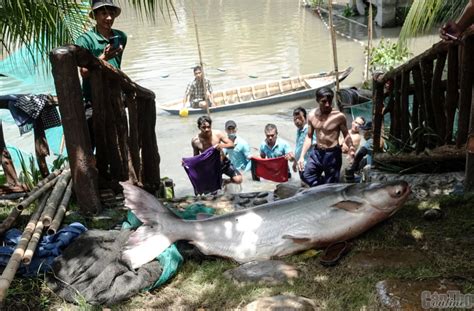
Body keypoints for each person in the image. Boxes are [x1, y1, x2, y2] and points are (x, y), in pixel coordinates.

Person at [75, 0, 127, 148]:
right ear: (95, 15)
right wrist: (104, 57)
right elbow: (84, 72)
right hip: (93, 99)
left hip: (116, 98)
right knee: (91, 144)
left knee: (119, 143)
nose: (109, 18)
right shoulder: (85, 40)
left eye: (111, 13)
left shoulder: (121, 37)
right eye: (104, 13)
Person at [297, 87, 355, 187]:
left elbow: (346, 135)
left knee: (331, 184)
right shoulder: (311, 115)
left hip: (332, 154)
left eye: (329, 101)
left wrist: (351, 147)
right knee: (305, 175)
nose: (327, 104)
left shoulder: (339, 116)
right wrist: (302, 157)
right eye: (323, 102)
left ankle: (328, 188)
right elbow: (309, 137)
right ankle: (323, 187)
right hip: (317, 152)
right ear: (317, 101)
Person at [191, 116, 242, 185]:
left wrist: (221, 146)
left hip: (223, 162)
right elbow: (196, 157)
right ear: (199, 127)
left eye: (208, 127)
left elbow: (231, 144)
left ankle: (224, 182)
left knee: (238, 180)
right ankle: (219, 182)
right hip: (210, 167)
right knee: (214, 188)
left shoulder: (218, 134)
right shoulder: (195, 141)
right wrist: (188, 163)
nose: (207, 129)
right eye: (204, 127)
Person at [293, 107, 315, 178]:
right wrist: (295, 162)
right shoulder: (299, 131)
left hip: (308, 165)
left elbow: (315, 145)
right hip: (301, 164)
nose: (297, 121)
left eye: (299, 118)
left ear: (305, 118)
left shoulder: (309, 130)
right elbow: (299, 148)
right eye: (295, 119)